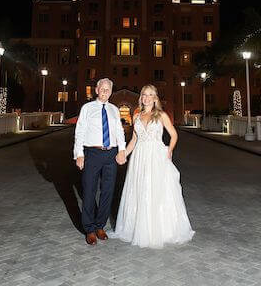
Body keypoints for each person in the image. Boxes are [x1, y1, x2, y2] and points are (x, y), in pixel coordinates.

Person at [111, 84, 195, 248]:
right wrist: (123, 154)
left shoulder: (161, 115)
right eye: (144, 95)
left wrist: (169, 150)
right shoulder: (136, 116)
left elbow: (173, 135)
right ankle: (139, 228)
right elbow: (134, 141)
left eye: (150, 95)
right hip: (139, 157)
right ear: (141, 97)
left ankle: (159, 229)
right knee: (140, 189)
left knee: (156, 190)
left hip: (156, 155)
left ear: (155, 98)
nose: (147, 97)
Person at [74, 78, 126, 245]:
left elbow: (119, 131)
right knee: (89, 191)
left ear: (111, 91)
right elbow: (80, 131)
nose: (105, 91)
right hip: (92, 153)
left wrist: (122, 150)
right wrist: (79, 154)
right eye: (102, 88)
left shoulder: (114, 110)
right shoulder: (87, 108)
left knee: (107, 191)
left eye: (108, 89)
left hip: (110, 154)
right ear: (96, 90)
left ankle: (100, 226)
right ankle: (89, 229)